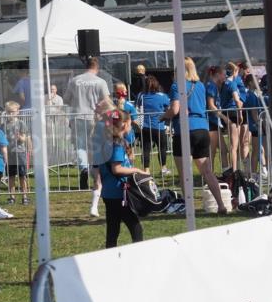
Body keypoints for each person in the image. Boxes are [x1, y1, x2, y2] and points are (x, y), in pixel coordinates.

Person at [162, 57, 229, 214]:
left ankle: (189, 206)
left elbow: (175, 110)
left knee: (185, 172)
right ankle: (221, 205)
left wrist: (163, 116)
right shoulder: (200, 86)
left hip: (184, 130)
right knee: (207, 171)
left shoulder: (176, 85)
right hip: (202, 129)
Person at [98, 108, 147, 248]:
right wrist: (136, 170)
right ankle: (139, 254)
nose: (131, 127)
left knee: (113, 230)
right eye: (131, 124)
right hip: (119, 193)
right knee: (135, 227)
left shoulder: (107, 141)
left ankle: (110, 255)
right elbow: (117, 169)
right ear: (125, 124)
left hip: (109, 192)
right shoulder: (117, 143)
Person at [64, 56, 110, 196]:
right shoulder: (100, 81)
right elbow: (106, 101)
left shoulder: (75, 80)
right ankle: (96, 175)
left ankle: (84, 168)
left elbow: (66, 99)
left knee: (80, 146)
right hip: (94, 117)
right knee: (95, 147)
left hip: (78, 116)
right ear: (97, 68)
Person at [137, 75, 170, 175]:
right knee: (162, 148)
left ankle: (146, 170)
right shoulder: (162, 96)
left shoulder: (141, 96)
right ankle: (163, 168)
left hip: (145, 127)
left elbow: (138, 106)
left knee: (146, 149)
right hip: (158, 126)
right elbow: (168, 107)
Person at [1, 101, 30, 205]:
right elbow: (1, 139)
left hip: (20, 152)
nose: (10, 114)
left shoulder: (21, 123)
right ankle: (12, 197)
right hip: (10, 153)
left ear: (17, 112)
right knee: (11, 176)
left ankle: (25, 196)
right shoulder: (3, 126)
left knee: (22, 176)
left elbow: (24, 138)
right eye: (8, 112)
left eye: (12, 112)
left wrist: (20, 138)